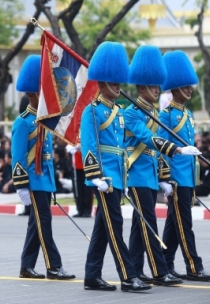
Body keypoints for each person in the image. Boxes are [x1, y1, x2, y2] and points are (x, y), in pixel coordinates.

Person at [125, 45, 201, 286]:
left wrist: (163, 176)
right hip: (136, 173)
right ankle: (159, 271)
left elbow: (155, 152)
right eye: (152, 85)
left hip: (149, 175)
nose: (157, 90)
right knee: (148, 223)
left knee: (140, 226)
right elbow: (148, 140)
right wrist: (176, 149)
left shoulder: (153, 112)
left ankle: (136, 269)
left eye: (158, 85)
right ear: (141, 86)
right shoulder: (131, 112)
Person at [80, 42, 151, 293]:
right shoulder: (92, 111)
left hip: (118, 176)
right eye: (114, 82)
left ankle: (92, 275)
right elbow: (88, 146)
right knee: (114, 227)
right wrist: (95, 176)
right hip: (104, 179)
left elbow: (123, 147)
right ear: (102, 82)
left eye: (120, 82)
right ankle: (128, 276)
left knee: (102, 228)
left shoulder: (119, 112)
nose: (119, 87)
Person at [12, 55, 75, 280]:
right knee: (43, 224)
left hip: (44, 180)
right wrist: (21, 186)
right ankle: (53, 266)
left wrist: (51, 183)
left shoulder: (45, 120)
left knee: (35, 225)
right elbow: (18, 156)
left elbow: (46, 156)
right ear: (32, 94)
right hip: (32, 181)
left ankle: (26, 266)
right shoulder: (23, 122)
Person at [159, 50, 210, 281]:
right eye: (185, 87)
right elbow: (161, 147)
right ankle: (194, 266)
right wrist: (164, 178)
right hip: (175, 176)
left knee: (175, 223)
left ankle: (165, 262)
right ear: (174, 89)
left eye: (189, 86)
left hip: (188, 175)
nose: (190, 90)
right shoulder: (166, 115)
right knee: (184, 223)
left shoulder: (188, 113)